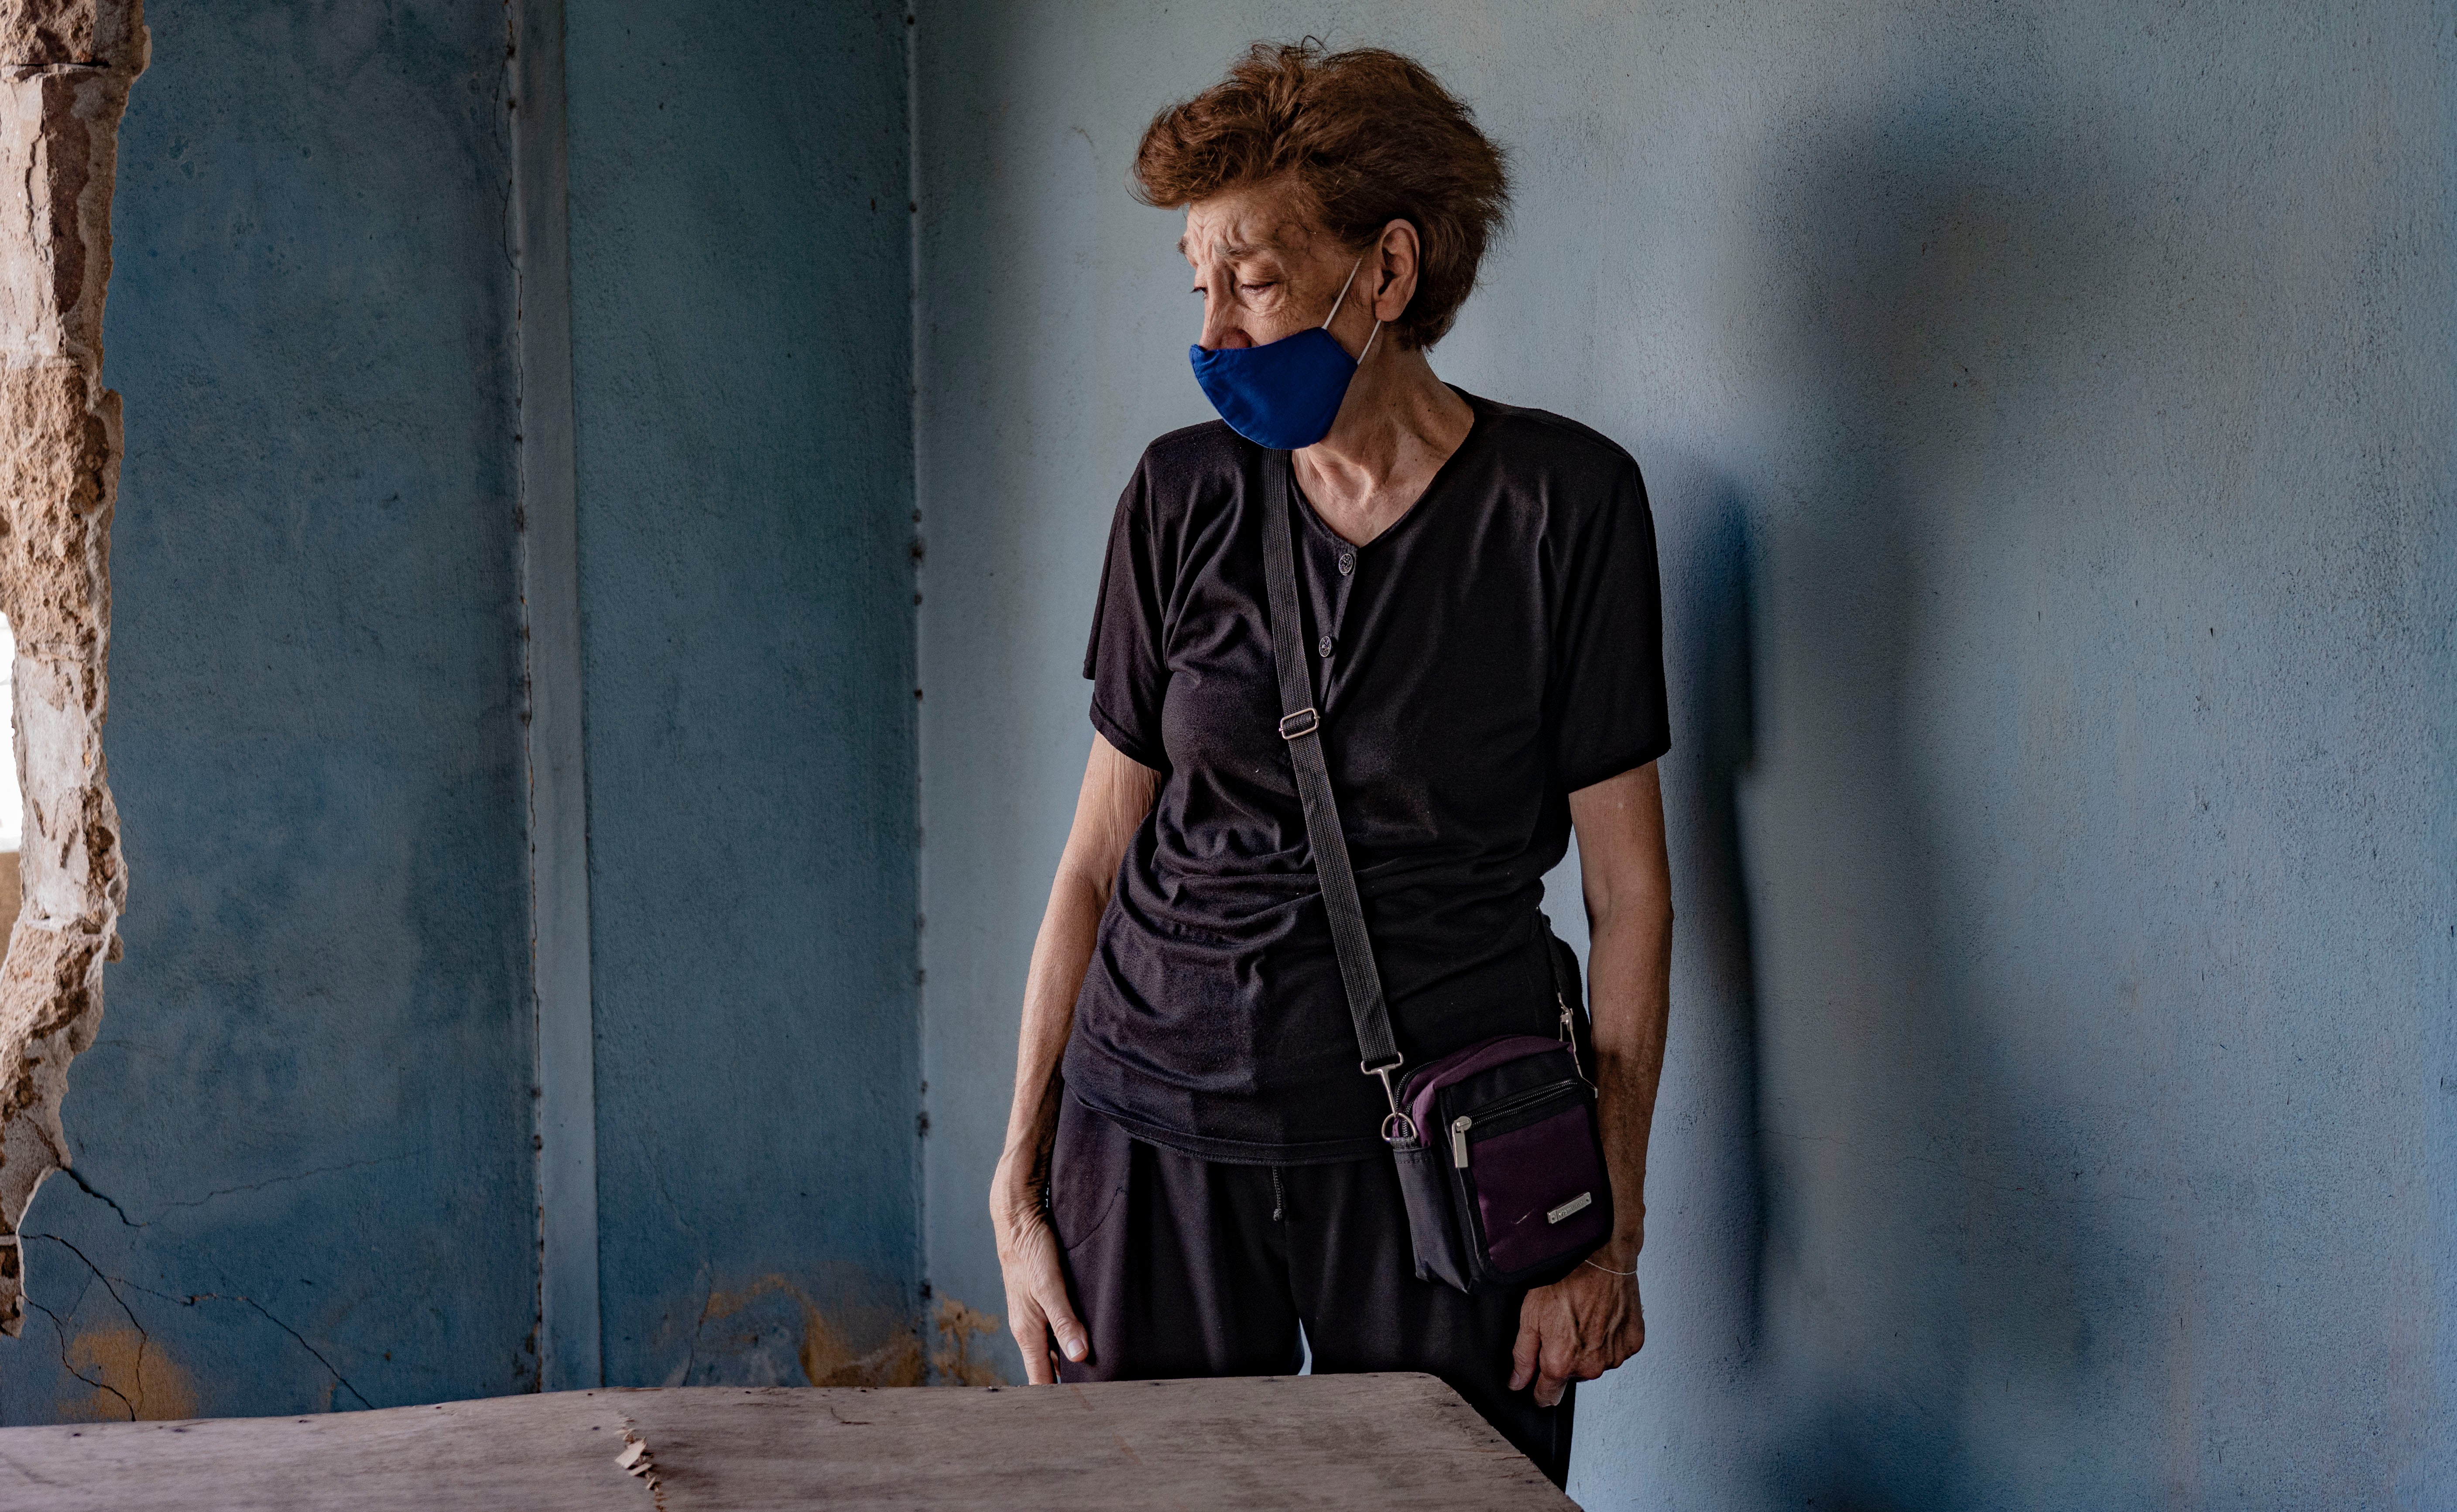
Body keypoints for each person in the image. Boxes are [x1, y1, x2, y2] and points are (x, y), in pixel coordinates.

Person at [987, 40, 1674, 1488]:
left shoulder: (1569, 508)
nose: (1217, 334)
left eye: (1255, 277)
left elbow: (1630, 899)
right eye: (1200, 287)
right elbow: (1095, 862)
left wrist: (1606, 1230)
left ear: (1387, 269)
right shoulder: (1177, 499)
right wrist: (1019, 1180)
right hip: (1152, 1137)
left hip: (1449, 1159)